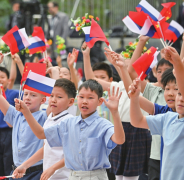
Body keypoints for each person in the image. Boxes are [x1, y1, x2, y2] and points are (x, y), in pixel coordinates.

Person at [14, 79, 125, 180]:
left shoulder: (102, 124)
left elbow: (119, 140)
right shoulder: (68, 123)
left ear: (100, 101)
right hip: (73, 176)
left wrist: (115, 112)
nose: (85, 101)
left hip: (94, 176)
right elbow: (41, 134)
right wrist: (26, 112)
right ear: (77, 99)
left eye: (90, 98)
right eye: (81, 97)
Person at [83, 43, 151, 180]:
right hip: (120, 128)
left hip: (138, 130)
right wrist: (86, 56)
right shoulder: (118, 86)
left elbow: (130, 74)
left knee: (131, 176)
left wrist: (142, 40)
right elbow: (92, 80)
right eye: (123, 64)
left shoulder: (148, 88)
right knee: (118, 175)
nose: (125, 67)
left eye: (128, 65)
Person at [129, 46, 184, 180]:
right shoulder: (167, 118)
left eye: (178, 90)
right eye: (179, 94)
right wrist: (134, 98)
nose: (179, 97)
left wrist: (177, 62)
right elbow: (137, 121)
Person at [0, 54, 47, 180]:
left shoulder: (45, 116)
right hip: (16, 171)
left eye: (33, 95)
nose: (27, 97)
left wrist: (53, 73)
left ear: (43, 100)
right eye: (25, 94)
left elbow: (56, 97)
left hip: (36, 172)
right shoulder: (15, 114)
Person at [13, 78, 76, 180]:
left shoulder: (68, 121)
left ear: (70, 101)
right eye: (51, 96)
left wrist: (52, 168)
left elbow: (73, 154)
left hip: (64, 177)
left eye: (59, 97)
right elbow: (46, 148)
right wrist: (25, 165)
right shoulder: (50, 118)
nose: (54, 100)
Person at [0, 62, 19, 176]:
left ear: (8, 80)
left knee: (9, 161)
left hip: (10, 132)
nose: (0, 80)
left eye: (3, 77)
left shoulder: (13, 93)